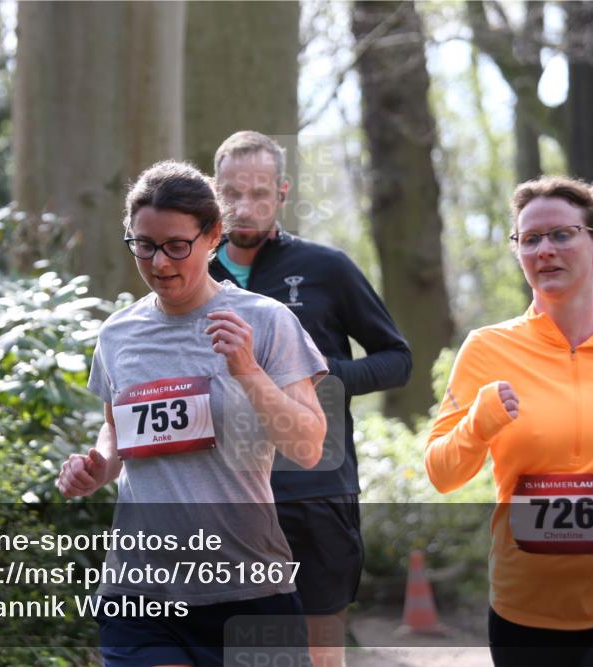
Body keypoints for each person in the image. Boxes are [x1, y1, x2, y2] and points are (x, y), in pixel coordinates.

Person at [57, 160, 328, 667]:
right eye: (144, 245)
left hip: (247, 590)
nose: (159, 263)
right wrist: (96, 464)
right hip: (140, 591)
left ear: (214, 236)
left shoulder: (266, 321)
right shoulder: (118, 334)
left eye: (176, 246)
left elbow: (308, 446)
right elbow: (117, 434)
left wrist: (248, 371)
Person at [425, 176, 593, 667]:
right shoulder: (487, 349)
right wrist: (478, 422)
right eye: (529, 239)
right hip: (525, 606)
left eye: (561, 234)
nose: (544, 250)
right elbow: (442, 472)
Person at [208, 130, 412, 666]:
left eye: (258, 193)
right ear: (213, 192)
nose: (244, 206)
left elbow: (397, 358)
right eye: (230, 193)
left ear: (282, 192)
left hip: (316, 483)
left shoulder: (327, 268)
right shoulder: (192, 275)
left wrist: (322, 376)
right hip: (226, 489)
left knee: (320, 647)